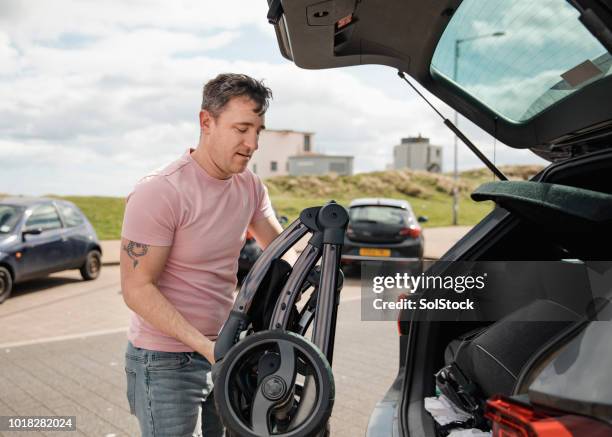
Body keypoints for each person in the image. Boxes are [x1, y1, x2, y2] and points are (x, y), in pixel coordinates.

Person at [120, 73, 287, 437]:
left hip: (224, 350)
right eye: (242, 129)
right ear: (206, 121)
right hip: (165, 361)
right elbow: (137, 290)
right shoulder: (161, 192)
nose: (252, 143)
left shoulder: (251, 187)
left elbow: (280, 247)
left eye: (259, 131)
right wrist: (209, 348)